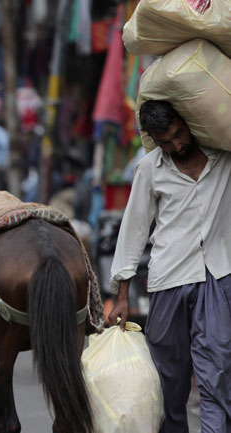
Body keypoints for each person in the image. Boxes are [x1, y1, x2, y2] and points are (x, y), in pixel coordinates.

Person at [107, 100, 231, 432]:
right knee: (169, 381)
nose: (176, 145)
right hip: (168, 280)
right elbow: (133, 229)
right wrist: (121, 295)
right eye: (166, 142)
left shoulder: (224, 156)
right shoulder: (149, 169)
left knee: (217, 372)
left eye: (178, 134)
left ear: (185, 122)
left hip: (218, 278)